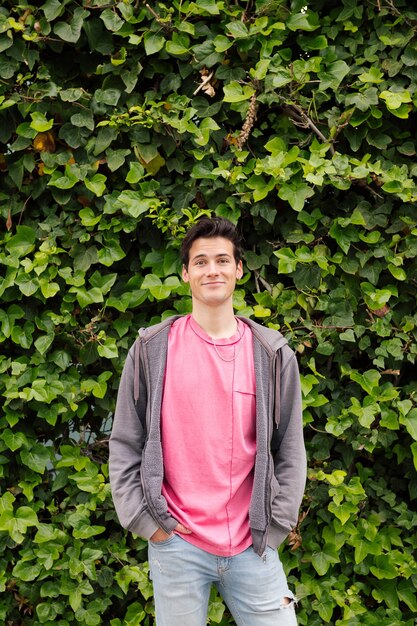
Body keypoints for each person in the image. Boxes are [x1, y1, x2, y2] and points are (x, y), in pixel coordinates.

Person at [109, 216, 306, 626]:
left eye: (221, 260)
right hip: (177, 544)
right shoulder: (151, 350)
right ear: (185, 274)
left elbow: (290, 447)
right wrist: (148, 524)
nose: (211, 269)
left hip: (253, 546)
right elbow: (126, 441)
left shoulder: (271, 354)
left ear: (238, 270)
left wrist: (276, 526)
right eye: (200, 262)